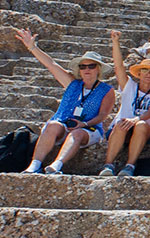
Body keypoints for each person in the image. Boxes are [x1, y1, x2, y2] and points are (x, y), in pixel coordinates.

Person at [13, 31, 113, 175]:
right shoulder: (73, 83)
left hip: (88, 128)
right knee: (52, 125)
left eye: (91, 66)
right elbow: (51, 65)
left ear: (98, 69)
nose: (87, 70)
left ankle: (56, 165)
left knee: (77, 134)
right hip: (64, 123)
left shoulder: (106, 90)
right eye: (83, 67)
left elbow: (103, 115)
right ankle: (34, 165)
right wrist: (32, 47)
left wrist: (83, 124)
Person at [99, 33, 150, 177]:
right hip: (123, 127)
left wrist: (136, 119)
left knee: (140, 125)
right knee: (120, 123)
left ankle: (129, 166)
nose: (148, 74)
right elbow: (119, 67)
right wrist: (115, 42)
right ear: (139, 73)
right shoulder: (129, 86)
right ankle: (108, 165)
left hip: (148, 129)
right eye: (145, 70)